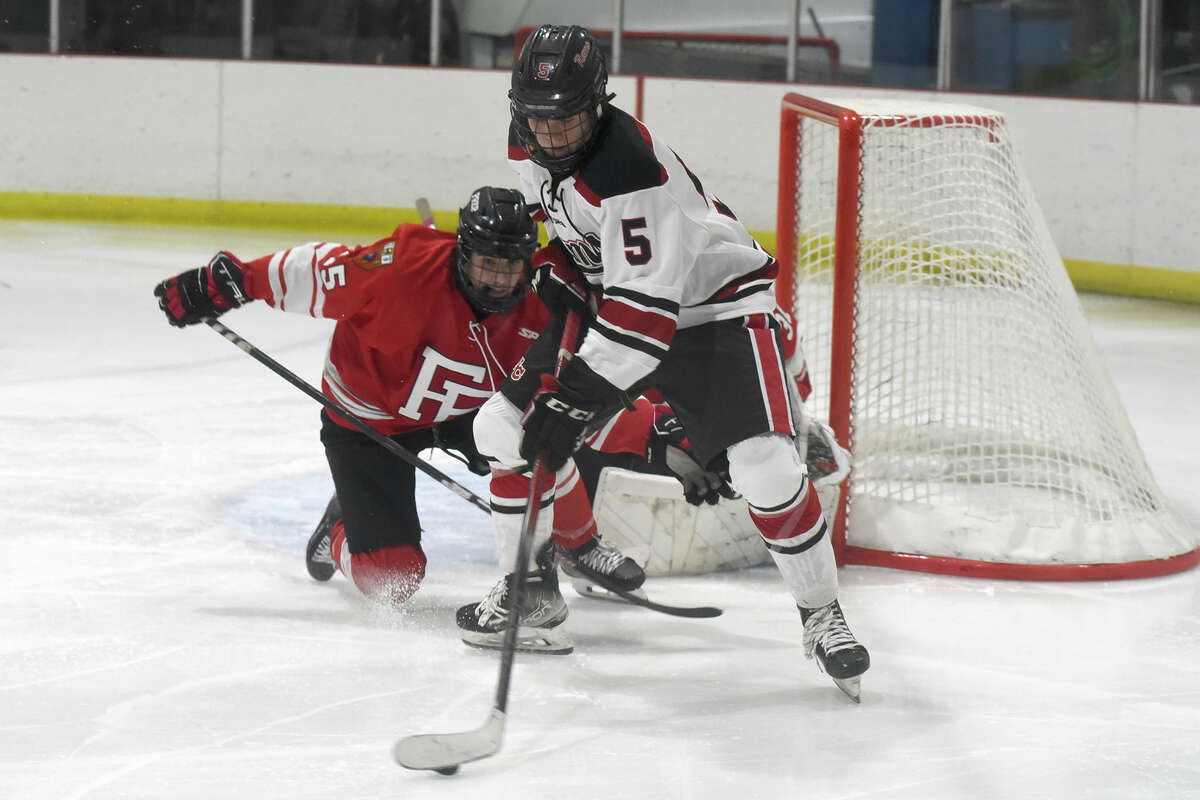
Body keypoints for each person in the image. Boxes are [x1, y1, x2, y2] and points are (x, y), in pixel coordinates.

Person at [459, 25, 869, 698]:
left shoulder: (631, 170)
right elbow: (568, 233)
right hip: (618, 304)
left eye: (569, 119)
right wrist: (559, 273)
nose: (554, 136)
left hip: (712, 311)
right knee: (498, 431)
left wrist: (573, 399)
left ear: (599, 103)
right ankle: (530, 593)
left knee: (763, 468)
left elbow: (645, 325)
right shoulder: (525, 136)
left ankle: (821, 613)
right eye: (541, 119)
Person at [152, 186, 645, 610]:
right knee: (393, 579)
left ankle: (579, 545)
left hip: (469, 408)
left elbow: (598, 367)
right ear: (461, 253)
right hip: (369, 421)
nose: (499, 279)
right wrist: (232, 281)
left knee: (542, 428)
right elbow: (319, 272)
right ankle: (336, 531)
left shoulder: (544, 291)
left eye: (510, 266)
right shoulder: (401, 271)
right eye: (486, 264)